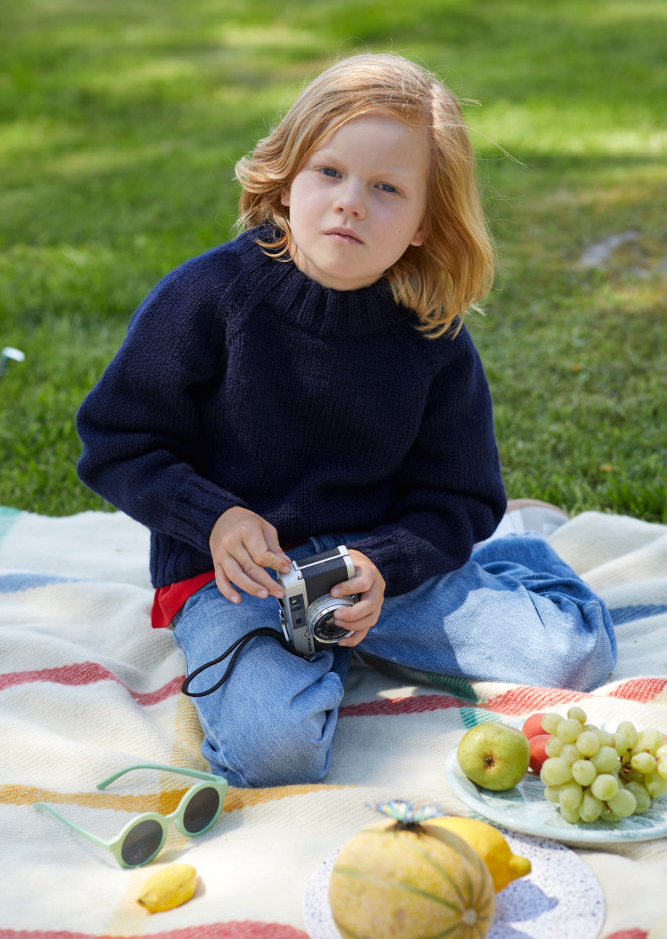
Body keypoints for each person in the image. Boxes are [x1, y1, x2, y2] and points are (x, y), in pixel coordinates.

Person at [76, 53, 616, 788]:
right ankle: (313, 656)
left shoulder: (431, 337)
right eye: (328, 172)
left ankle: (518, 560)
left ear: (426, 223)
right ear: (286, 175)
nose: (350, 203)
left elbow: (458, 499)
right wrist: (212, 518)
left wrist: (384, 567)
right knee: (275, 753)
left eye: (386, 188)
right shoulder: (208, 298)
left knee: (572, 659)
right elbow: (116, 440)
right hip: (232, 577)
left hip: (370, 570)